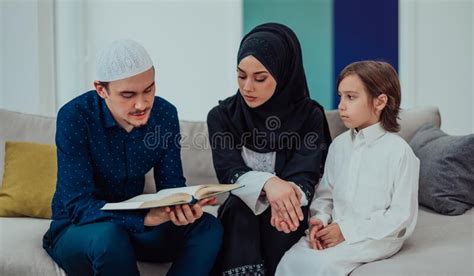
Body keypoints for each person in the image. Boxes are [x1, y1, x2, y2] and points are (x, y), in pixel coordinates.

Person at [42, 39, 222, 276]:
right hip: (80, 229)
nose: (142, 103)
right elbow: (79, 206)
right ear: (100, 89)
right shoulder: (75, 117)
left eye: (149, 90)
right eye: (128, 94)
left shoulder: (165, 114)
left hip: (136, 231)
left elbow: (171, 186)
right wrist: (144, 218)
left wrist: (183, 207)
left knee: (207, 227)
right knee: (109, 237)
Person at [207, 23, 332, 275]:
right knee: (240, 206)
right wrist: (268, 184)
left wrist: (281, 196)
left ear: (284, 73)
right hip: (240, 215)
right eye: (241, 75)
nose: (247, 87)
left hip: (290, 214)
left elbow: (305, 175)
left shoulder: (310, 116)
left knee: (283, 218)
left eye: (260, 78)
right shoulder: (222, 117)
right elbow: (229, 172)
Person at [276, 61, 420, 276]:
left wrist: (346, 231)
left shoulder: (399, 153)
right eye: (340, 96)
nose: (341, 105)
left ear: (380, 101)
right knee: (290, 259)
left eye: (351, 97)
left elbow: (401, 216)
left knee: (322, 266)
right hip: (335, 228)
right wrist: (320, 221)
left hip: (376, 236)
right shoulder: (339, 145)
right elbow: (325, 195)